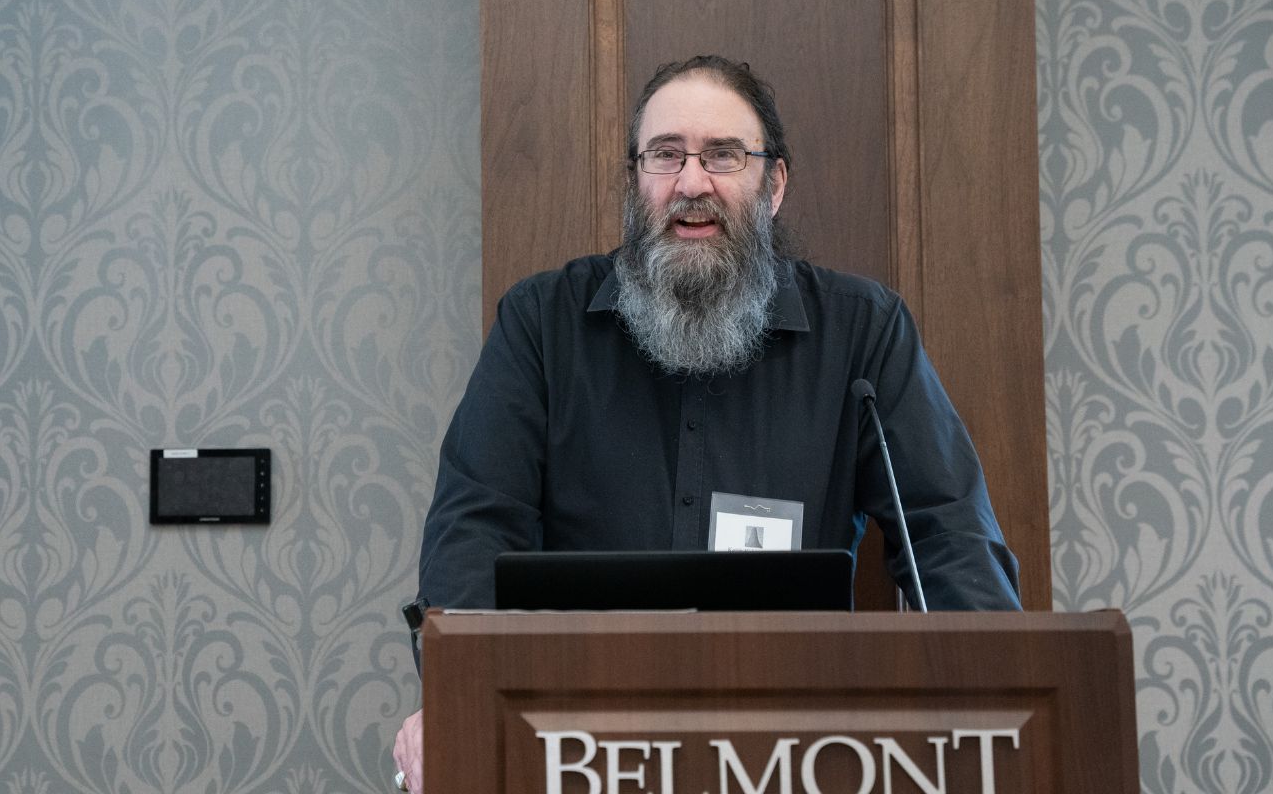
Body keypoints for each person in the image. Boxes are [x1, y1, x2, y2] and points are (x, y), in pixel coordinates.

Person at [391, 55, 1020, 792]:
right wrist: (462, 694)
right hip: (578, 745)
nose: (692, 183)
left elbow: (949, 538)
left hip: (801, 749)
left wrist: (1000, 701)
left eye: (724, 155)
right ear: (637, 183)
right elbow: (474, 528)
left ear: (773, 184)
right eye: (665, 155)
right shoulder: (542, 324)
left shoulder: (862, 331)